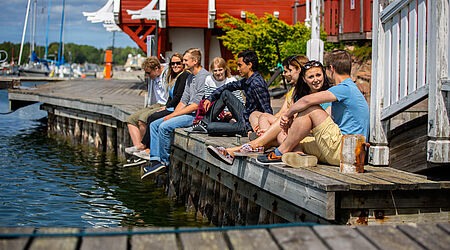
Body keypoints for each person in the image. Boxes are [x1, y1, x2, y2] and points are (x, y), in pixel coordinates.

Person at [256, 50, 370, 167]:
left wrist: (287, 114)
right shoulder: (352, 87)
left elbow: (307, 101)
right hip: (344, 152)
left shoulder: (345, 88)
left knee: (311, 108)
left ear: (331, 68)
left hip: (344, 150)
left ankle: (280, 153)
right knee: (289, 139)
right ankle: (300, 156)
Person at [209, 58, 333, 165]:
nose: (315, 79)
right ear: (305, 80)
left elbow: (319, 126)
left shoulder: (329, 95)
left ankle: (244, 148)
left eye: (318, 75)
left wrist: (280, 126)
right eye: (311, 77)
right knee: (265, 118)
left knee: (277, 125)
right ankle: (258, 146)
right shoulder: (299, 93)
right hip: (292, 133)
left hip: (309, 136)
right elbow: (286, 114)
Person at [142, 48, 209, 178]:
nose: (183, 63)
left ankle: (164, 162)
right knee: (154, 124)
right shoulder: (190, 77)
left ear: (195, 61)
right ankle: (155, 160)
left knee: (163, 127)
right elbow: (183, 101)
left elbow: (195, 105)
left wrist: (173, 115)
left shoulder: (204, 77)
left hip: (197, 116)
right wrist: (170, 114)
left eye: (185, 60)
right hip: (187, 112)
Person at [188, 50, 272, 137]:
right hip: (245, 115)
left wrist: (258, 130)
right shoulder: (247, 80)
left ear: (249, 65)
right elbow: (229, 86)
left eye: (240, 65)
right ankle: (203, 124)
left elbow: (267, 111)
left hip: (248, 125)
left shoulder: (257, 84)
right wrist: (210, 98)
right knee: (225, 93)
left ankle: (207, 126)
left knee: (211, 127)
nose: (237, 69)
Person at [130, 53, 190, 161]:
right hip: (171, 106)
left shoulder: (184, 75)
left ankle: (149, 150)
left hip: (178, 109)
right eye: (172, 63)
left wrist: (167, 107)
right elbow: (171, 96)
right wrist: (167, 105)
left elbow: (179, 96)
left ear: (183, 64)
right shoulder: (175, 76)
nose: (175, 65)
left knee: (152, 118)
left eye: (178, 63)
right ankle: (148, 150)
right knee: (152, 119)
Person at [185, 57, 244, 131]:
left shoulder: (231, 80)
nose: (218, 73)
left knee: (232, 122)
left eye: (220, 70)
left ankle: (205, 124)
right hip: (215, 112)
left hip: (230, 113)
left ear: (225, 69)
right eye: (215, 71)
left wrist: (230, 113)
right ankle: (205, 125)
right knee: (211, 126)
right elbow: (208, 101)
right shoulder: (209, 80)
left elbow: (239, 101)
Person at [124, 56, 168, 156]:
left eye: (148, 73)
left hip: (166, 104)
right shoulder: (153, 77)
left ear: (156, 69)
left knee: (143, 119)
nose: (147, 75)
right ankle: (139, 148)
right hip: (156, 104)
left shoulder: (167, 74)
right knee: (130, 120)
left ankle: (147, 148)